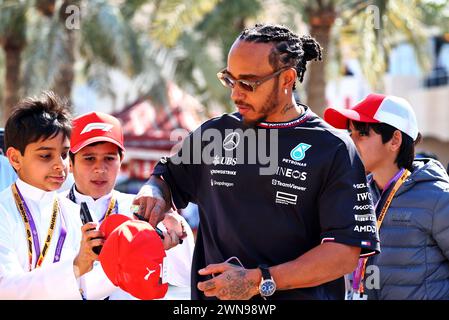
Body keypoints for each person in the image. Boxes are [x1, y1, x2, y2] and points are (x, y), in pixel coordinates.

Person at [133, 23, 380, 300]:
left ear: (287, 79)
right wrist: (154, 193)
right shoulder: (214, 135)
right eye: (230, 80)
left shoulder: (333, 148)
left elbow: (344, 254)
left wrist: (258, 280)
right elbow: (166, 178)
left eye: (248, 83)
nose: (235, 94)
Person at [324, 93, 449, 299]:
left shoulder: (437, 197)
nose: (350, 141)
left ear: (395, 140)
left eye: (362, 133)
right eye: (350, 132)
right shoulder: (354, 193)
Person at [62, 111, 195, 299]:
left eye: (109, 158)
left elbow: (184, 276)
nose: (100, 168)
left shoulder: (140, 210)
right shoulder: (51, 209)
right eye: (89, 158)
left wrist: (177, 236)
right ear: (70, 162)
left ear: (121, 160)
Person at [0, 91, 114, 299]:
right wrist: (76, 265)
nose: (60, 165)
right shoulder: (3, 211)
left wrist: (127, 261)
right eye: (45, 155)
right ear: (15, 158)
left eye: (64, 154)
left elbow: (85, 288)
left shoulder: (71, 211)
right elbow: (5, 288)